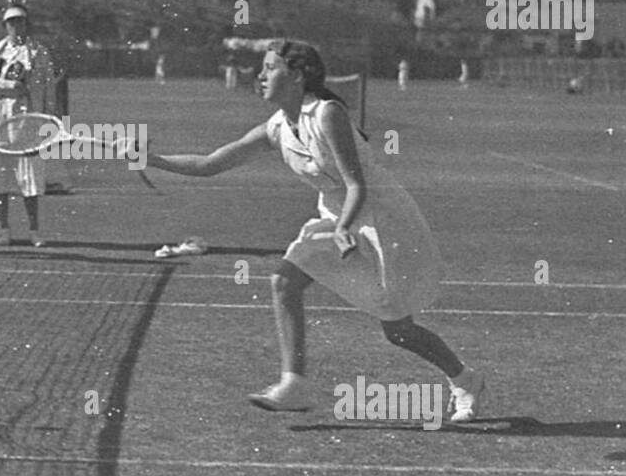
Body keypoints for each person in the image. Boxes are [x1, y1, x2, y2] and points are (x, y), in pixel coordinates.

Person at [145, 39, 486, 420]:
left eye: (269, 68)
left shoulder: (327, 114)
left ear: (297, 76)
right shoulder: (276, 127)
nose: (259, 76)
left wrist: (344, 228)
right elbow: (209, 164)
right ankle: (296, 385)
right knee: (284, 282)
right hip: (336, 214)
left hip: (381, 217)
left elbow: (357, 184)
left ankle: (464, 379)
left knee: (398, 330)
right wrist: (148, 157)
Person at [0, 4, 54, 247]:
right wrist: (9, 86)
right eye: (11, 22)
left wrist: (49, 120)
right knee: (0, 177)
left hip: (27, 119)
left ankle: (34, 231)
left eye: (20, 21)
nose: (15, 26)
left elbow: (49, 90)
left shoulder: (39, 52)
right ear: (5, 26)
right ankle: (4, 230)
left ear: (26, 23)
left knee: (29, 177)